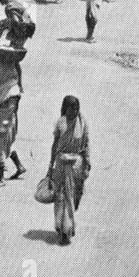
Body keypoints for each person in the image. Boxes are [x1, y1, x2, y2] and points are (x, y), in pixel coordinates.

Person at [0, 14, 33, 187]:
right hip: (2, 109)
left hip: (6, 112)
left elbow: (12, 104)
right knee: (5, 141)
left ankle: (1, 178)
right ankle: (19, 166)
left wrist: (4, 118)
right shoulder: (6, 73)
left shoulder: (11, 84)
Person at [48, 95, 91, 246]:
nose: (74, 111)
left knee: (72, 197)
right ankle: (64, 230)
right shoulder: (61, 124)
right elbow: (54, 146)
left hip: (76, 166)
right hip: (61, 165)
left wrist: (87, 162)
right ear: (65, 109)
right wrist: (50, 168)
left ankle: (68, 225)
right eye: (71, 108)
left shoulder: (82, 123)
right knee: (62, 198)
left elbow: (85, 145)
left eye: (77, 108)